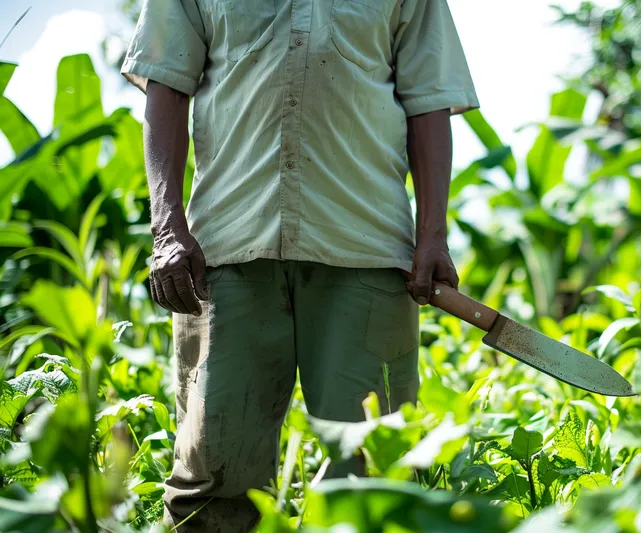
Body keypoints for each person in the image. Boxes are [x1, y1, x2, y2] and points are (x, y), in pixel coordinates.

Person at [121, 0, 478, 530]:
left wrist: (433, 235)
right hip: (226, 246)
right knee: (213, 480)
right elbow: (165, 85)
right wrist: (167, 228)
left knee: (369, 478)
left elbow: (428, 102)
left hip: (368, 248)